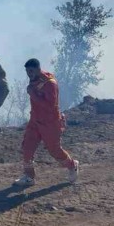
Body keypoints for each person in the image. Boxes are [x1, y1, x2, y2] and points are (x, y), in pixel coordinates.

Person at [16, 58, 79, 186]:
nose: (29, 74)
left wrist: (32, 94)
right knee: (27, 147)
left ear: (39, 69)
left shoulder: (50, 83)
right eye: (27, 71)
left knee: (54, 150)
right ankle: (29, 177)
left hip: (50, 122)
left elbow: (50, 105)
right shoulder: (34, 80)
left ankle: (72, 165)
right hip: (35, 121)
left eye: (32, 71)